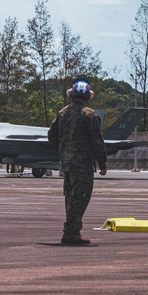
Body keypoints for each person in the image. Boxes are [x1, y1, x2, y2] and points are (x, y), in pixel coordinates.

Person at [47, 78, 108, 244]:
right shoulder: (90, 115)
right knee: (80, 198)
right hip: (83, 164)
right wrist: (102, 163)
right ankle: (71, 233)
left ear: (71, 95)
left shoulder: (62, 113)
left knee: (70, 197)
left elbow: (51, 136)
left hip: (66, 164)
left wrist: (63, 150)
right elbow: (97, 141)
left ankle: (73, 231)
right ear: (88, 96)